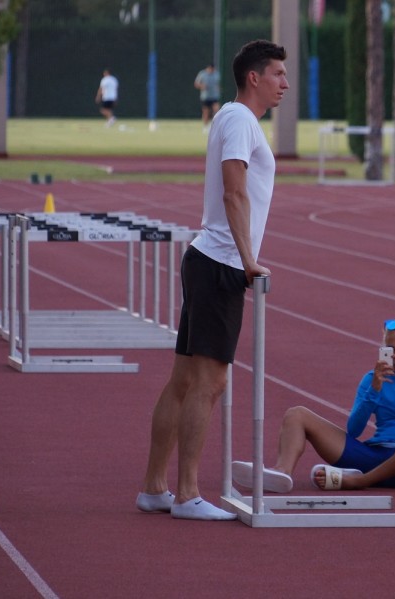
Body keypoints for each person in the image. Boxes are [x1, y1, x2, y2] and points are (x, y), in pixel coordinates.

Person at [136, 40, 289, 521]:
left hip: (209, 259)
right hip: (221, 261)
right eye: (279, 74)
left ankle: (155, 488)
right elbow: (234, 190)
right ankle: (186, 495)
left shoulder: (229, 116)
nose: (285, 83)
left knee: (183, 380)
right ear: (254, 78)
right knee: (209, 382)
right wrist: (249, 261)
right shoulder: (241, 120)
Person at [231, 318, 395, 493]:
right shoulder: (373, 377)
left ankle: (359, 480)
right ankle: (281, 472)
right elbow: (354, 429)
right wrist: (373, 390)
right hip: (373, 456)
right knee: (297, 414)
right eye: (391, 349)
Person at [194, 64, 221, 131]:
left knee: (217, 110)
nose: (211, 71)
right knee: (206, 112)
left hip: (214, 96)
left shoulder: (217, 74)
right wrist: (202, 86)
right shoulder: (202, 74)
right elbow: (196, 84)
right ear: (207, 68)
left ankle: (215, 125)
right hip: (205, 97)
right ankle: (205, 126)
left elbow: (218, 84)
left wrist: (218, 89)